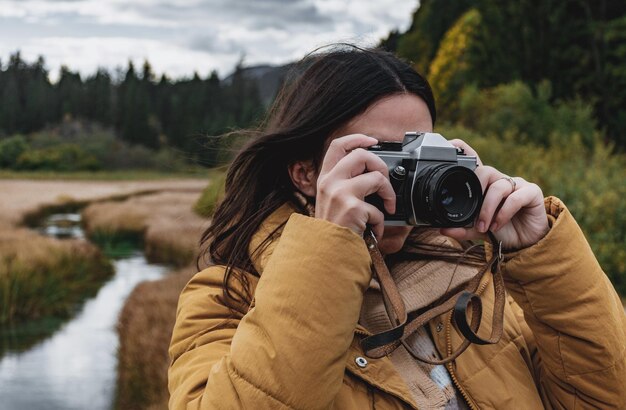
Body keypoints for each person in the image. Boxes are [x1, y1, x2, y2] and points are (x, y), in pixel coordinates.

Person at [168, 45, 626, 409]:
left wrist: (543, 256)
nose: (400, 181)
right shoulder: (222, 303)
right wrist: (330, 247)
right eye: (379, 157)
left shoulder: (480, 282)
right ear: (305, 173)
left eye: (417, 155)